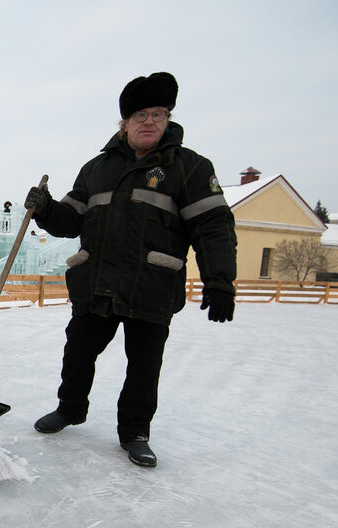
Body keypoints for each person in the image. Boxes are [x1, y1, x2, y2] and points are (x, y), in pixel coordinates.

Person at [24, 72, 237, 468]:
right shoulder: (96, 169)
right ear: (123, 123)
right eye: (140, 114)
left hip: (151, 286)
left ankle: (135, 432)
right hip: (97, 283)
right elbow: (71, 221)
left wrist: (220, 281)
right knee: (78, 352)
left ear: (169, 119)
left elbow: (213, 228)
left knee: (144, 366)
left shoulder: (189, 168)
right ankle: (70, 409)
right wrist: (47, 207)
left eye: (159, 113)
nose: (149, 121)